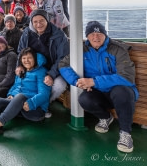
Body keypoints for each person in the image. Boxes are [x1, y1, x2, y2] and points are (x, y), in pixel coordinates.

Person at [59, 21, 138, 153]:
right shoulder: (82, 49)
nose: (96, 37)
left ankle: (125, 134)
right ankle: (105, 117)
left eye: (99, 33)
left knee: (121, 92)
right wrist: (78, 82)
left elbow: (126, 77)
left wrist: (94, 81)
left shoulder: (117, 49)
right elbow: (63, 65)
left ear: (105, 35)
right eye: (92, 34)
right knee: (84, 99)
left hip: (120, 93)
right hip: (99, 93)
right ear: (87, 36)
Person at [18, 9, 69, 118]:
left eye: (41, 21)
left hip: (54, 69)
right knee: (21, 78)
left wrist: (51, 74)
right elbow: (21, 51)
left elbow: (63, 58)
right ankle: (25, 103)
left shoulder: (58, 35)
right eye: (35, 21)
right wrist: (19, 65)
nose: (38, 24)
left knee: (59, 85)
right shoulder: (27, 33)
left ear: (47, 20)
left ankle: (42, 105)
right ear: (31, 22)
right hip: (34, 67)